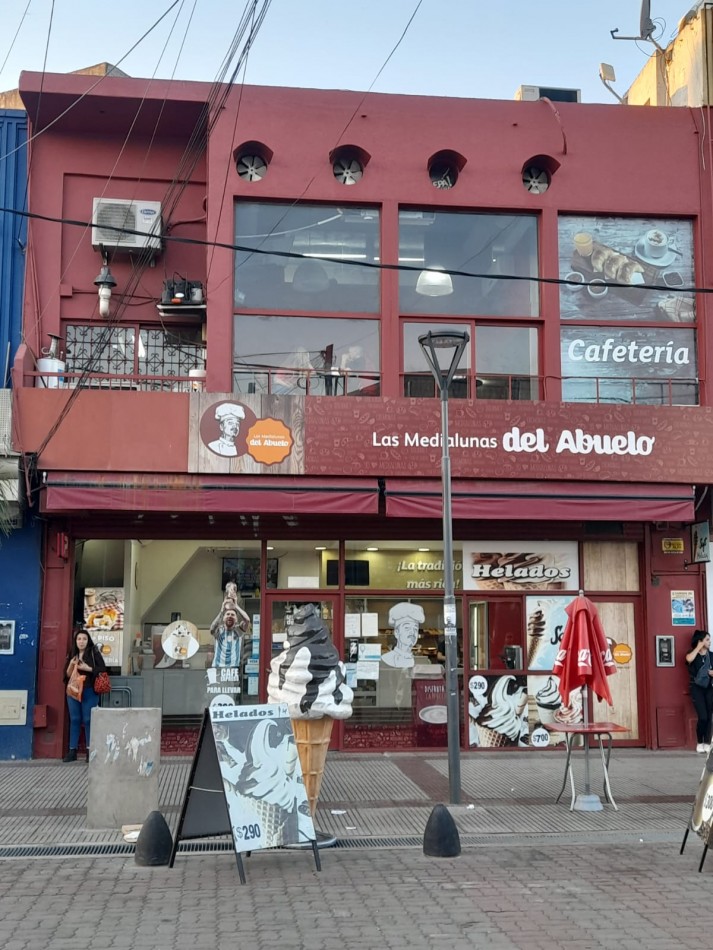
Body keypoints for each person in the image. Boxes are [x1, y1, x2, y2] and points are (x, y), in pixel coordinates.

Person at [62, 627, 107, 762]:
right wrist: (71, 665)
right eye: (79, 639)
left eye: (84, 639)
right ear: (75, 641)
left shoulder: (94, 653)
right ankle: (72, 751)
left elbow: (103, 669)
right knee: (75, 719)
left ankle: (90, 750)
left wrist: (87, 668)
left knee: (88, 719)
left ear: (88, 641)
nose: (81, 642)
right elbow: (66, 675)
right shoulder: (72, 654)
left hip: (89, 690)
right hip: (73, 691)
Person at [685, 629, 713, 753]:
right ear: (700, 641)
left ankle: (707, 742)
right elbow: (689, 659)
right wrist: (698, 647)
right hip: (696, 688)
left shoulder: (712, 655)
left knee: (709, 717)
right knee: (702, 717)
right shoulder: (692, 654)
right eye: (707, 639)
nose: (710, 642)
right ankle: (699, 742)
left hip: (710, 687)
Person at [381, 602, 425, 668]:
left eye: (415, 629)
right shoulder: (386, 659)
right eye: (407, 628)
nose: (412, 632)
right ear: (396, 632)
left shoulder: (421, 661)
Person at [211, 602, 250, 669]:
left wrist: (236, 606)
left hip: (233, 669)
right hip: (218, 668)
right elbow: (212, 629)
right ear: (223, 618)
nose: (230, 616)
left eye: (232, 615)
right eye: (228, 614)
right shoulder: (219, 631)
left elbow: (247, 620)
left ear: (236, 619)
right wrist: (221, 611)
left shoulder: (238, 631)